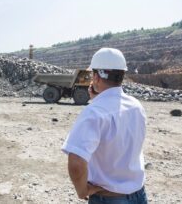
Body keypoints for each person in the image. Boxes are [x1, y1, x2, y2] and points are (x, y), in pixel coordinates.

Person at [62, 47, 148, 204]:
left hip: (108, 198)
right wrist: (99, 100)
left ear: (96, 77)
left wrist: (82, 191)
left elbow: (76, 162)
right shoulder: (136, 106)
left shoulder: (94, 112)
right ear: (122, 75)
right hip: (139, 195)